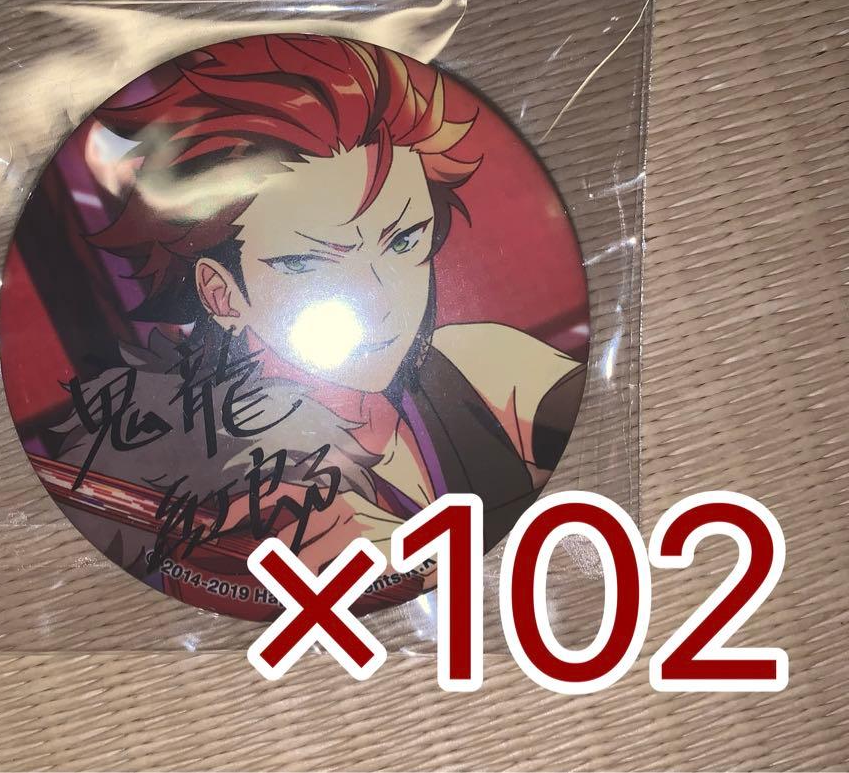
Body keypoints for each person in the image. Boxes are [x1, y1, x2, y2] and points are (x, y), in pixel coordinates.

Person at [51, 33, 585, 609]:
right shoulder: (176, 466)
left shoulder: (477, 366)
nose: (380, 300)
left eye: (404, 240)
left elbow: (588, 434)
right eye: (305, 263)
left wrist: (413, 560)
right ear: (221, 294)